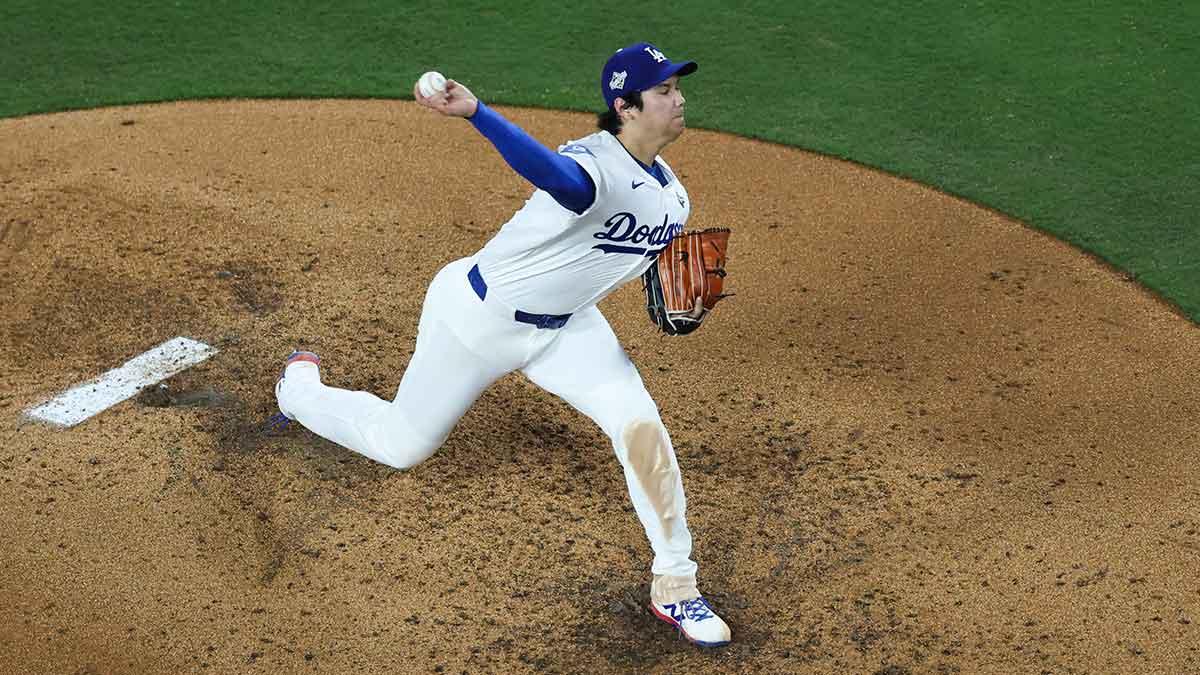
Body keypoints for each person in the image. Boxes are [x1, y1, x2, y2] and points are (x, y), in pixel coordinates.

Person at [273, 42, 731, 647]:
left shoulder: (673, 195)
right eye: (665, 90)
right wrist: (477, 113)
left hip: (567, 326)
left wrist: (667, 291)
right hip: (478, 320)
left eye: (677, 86)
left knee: (640, 425)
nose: (679, 98)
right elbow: (551, 174)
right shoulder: (591, 166)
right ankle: (299, 391)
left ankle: (676, 584)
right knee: (401, 444)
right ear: (625, 107)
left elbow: (626, 258)